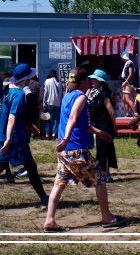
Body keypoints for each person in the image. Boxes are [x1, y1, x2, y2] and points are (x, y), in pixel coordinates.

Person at [43, 67, 124, 232]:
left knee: (59, 183)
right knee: (100, 178)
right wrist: (66, 138)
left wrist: (100, 132)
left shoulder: (67, 97)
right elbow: (73, 117)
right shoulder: (81, 97)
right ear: (82, 82)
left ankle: (50, 220)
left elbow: (82, 124)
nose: (90, 82)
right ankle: (107, 217)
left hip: (65, 151)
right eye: (87, 79)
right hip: (76, 148)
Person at [0, 63, 48, 212]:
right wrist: (10, 139)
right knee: (31, 167)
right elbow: (12, 117)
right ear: (27, 79)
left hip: (5, 135)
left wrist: (29, 126)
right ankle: (44, 198)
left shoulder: (8, 91)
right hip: (15, 138)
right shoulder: (19, 94)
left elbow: (15, 116)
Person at [85, 69, 117, 181]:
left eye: (95, 79)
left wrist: (114, 125)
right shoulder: (94, 92)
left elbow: (111, 111)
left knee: (104, 149)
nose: (93, 81)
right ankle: (104, 172)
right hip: (97, 124)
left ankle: (105, 173)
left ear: (101, 81)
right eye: (92, 78)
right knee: (101, 149)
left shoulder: (104, 93)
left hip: (105, 125)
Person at [42, 70, 64, 139]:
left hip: (49, 102)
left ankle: (47, 134)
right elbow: (60, 93)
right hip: (57, 102)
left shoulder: (47, 81)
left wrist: (44, 101)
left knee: (47, 117)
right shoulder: (58, 82)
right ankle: (54, 134)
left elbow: (46, 92)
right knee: (56, 118)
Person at [119, 49, 138, 118]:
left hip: (128, 83)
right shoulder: (126, 64)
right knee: (124, 99)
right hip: (125, 82)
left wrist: (126, 82)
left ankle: (135, 113)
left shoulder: (130, 63)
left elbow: (131, 73)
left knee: (127, 98)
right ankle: (127, 113)